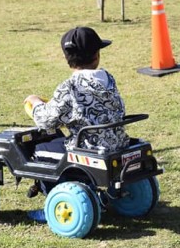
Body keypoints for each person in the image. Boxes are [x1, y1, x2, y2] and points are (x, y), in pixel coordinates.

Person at [24, 27, 130, 164]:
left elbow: (46, 121)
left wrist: (35, 103)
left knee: (39, 150)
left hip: (87, 151)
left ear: (66, 58)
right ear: (97, 55)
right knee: (57, 141)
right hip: (118, 144)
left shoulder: (69, 87)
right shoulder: (109, 79)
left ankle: (49, 186)